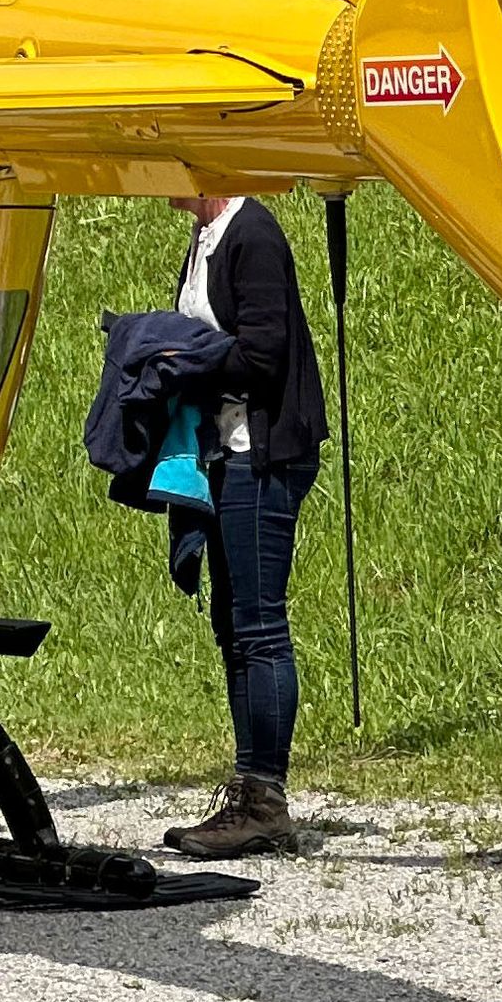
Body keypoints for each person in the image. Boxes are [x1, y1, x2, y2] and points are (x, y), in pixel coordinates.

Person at [159, 191, 328, 860]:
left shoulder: (252, 232)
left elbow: (263, 353)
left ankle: (265, 797)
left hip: (265, 453)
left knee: (259, 623)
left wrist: (182, 361)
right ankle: (250, 787)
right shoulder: (205, 234)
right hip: (224, 453)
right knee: (230, 620)